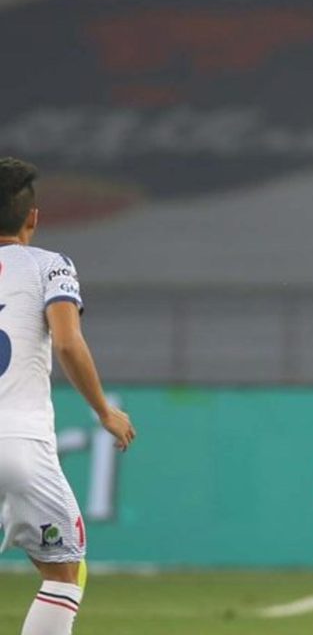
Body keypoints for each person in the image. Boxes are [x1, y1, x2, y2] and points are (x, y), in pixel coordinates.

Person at [0, 157, 136, 635]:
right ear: (33, 217)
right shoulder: (49, 265)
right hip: (19, 442)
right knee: (64, 572)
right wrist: (104, 411)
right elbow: (66, 341)